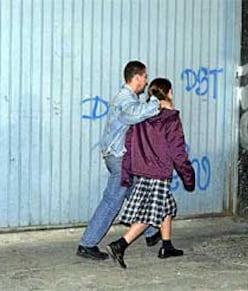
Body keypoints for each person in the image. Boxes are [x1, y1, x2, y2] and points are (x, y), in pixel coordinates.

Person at [77, 61, 173, 260]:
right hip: (119, 159)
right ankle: (87, 244)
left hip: (122, 157)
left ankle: (150, 232)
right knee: (112, 200)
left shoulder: (130, 98)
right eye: (145, 77)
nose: (146, 82)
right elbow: (135, 115)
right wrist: (156, 101)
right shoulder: (125, 99)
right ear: (137, 77)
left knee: (137, 191)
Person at [106, 77, 196, 269]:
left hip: (144, 171)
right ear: (169, 92)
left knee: (167, 207)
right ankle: (119, 245)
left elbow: (129, 143)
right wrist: (188, 176)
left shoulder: (143, 115)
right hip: (159, 172)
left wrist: (127, 170)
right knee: (150, 215)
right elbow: (178, 151)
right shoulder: (170, 118)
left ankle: (166, 245)